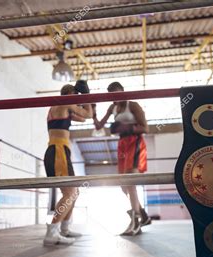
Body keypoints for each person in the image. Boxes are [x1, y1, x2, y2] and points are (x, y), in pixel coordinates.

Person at [93, 82, 151, 236]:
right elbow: (99, 126)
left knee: (130, 180)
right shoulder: (113, 107)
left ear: (123, 91)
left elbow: (146, 128)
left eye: (117, 93)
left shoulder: (133, 105)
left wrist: (128, 127)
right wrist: (92, 110)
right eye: (112, 95)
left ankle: (136, 221)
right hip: (122, 144)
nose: (115, 97)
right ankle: (143, 215)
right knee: (123, 185)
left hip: (135, 141)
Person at [43, 82, 93, 246]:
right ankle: (52, 233)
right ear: (71, 94)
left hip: (59, 151)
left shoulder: (58, 107)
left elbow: (86, 116)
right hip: (58, 152)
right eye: (76, 96)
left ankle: (64, 229)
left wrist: (87, 99)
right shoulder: (65, 102)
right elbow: (88, 114)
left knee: (74, 192)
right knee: (70, 193)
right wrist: (87, 96)